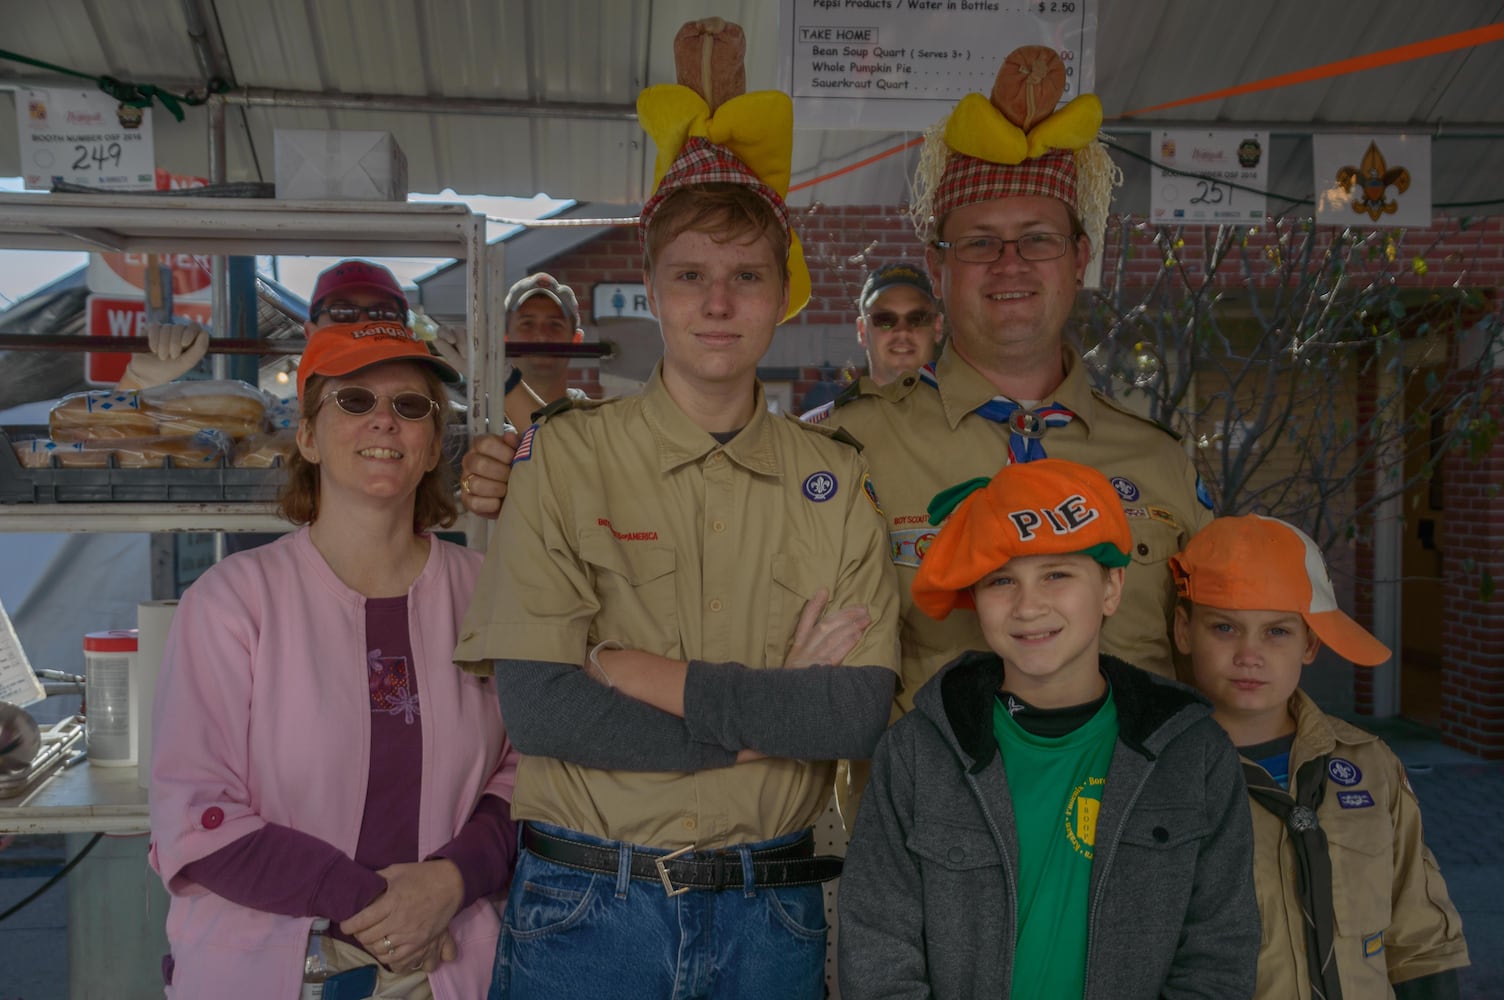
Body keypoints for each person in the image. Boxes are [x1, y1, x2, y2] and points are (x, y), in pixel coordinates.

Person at [454, 22, 899, 999]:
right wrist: (760, 718)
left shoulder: (833, 480)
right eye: (690, 274)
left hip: (769, 913)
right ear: (650, 290)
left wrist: (644, 675)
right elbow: (545, 705)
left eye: (745, 276)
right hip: (584, 906)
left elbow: (854, 710)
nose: (716, 301)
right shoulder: (565, 460)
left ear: (782, 295)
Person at [149, 264, 519, 999]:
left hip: (451, 962)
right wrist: (373, 904)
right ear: (310, 436)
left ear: (432, 442)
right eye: (355, 400)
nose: (386, 421)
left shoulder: (484, 593)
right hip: (277, 965)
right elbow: (196, 812)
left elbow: (527, 771)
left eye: (411, 405)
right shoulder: (233, 603)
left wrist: (451, 880)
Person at [839, 458, 1258, 999]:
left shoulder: (1194, 753)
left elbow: (1219, 957)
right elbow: (878, 950)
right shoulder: (917, 752)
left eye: (1057, 574)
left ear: (1111, 588)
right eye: (1001, 581)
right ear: (975, 599)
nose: (1028, 606)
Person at [1171, 514, 1469, 1000]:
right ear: (1184, 631)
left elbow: (1419, 941)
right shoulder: (1155, 775)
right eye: (1224, 627)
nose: (1250, 654)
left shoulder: (1370, 765)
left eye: (1277, 632)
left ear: (1309, 642)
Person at [501, 272, 589, 405]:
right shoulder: (477, 419)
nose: (541, 336)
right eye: (527, 324)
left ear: (576, 341)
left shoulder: (600, 422)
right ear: (505, 338)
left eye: (555, 324)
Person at [853, 262, 945, 388]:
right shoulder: (838, 409)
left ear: (937, 327)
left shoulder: (971, 407)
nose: (902, 331)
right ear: (862, 330)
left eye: (916, 319)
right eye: (885, 320)